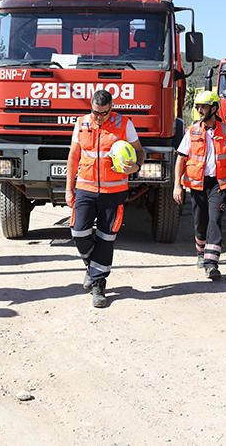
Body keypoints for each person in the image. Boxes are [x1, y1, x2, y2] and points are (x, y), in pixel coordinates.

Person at [64, 89, 144, 308]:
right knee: (79, 232)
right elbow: (73, 156)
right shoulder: (81, 123)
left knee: (106, 238)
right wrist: (68, 188)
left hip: (114, 192)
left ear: (111, 108)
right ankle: (92, 268)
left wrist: (136, 166)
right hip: (85, 189)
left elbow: (140, 151)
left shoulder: (124, 123)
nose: (98, 117)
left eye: (103, 113)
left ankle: (98, 285)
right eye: (94, 112)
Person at [173, 90, 226, 281]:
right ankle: (201, 252)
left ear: (213, 108)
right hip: (197, 184)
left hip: (218, 184)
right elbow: (181, 159)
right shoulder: (192, 131)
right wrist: (177, 185)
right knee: (199, 221)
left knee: (215, 219)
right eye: (197, 107)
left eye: (203, 107)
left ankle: (211, 264)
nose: (200, 111)